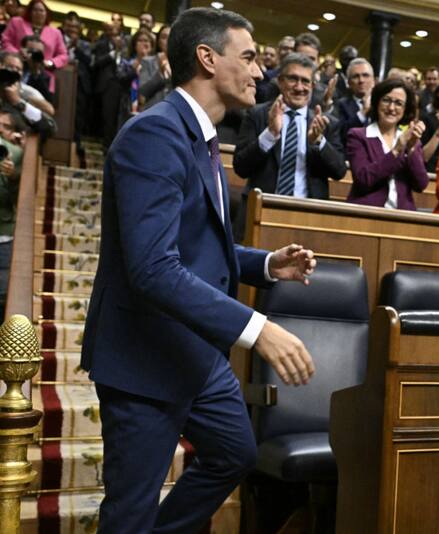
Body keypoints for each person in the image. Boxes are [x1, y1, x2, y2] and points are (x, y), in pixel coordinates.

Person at [80, 9, 318, 532]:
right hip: (143, 357)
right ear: (207, 59)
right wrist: (257, 330)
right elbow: (152, 268)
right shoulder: (155, 134)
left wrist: (264, 264)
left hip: (195, 354)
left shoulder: (201, 136)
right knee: (130, 513)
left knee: (234, 453)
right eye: (251, 58)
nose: (262, 73)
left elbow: (195, 245)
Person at [233, 53, 346, 236]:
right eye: (293, 79)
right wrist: (270, 134)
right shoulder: (257, 114)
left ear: (313, 86)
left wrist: (318, 142)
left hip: (307, 217)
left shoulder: (326, 123)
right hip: (260, 213)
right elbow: (241, 167)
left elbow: (339, 171)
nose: (299, 87)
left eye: (305, 81)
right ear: (279, 81)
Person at [346, 77, 428, 210]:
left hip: (402, 218)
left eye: (398, 103)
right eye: (386, 100)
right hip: (365, 214)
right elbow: (363, 179)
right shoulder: (358, 136)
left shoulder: (410, 139)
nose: (391, 108)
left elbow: (421, 184)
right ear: (377, 102)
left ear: (405, 109)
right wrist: (396, 150)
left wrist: (411, 149)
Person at [0, 0, 64, 93]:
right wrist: (18, 54)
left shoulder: (56, 33)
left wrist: (50, 63)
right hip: (16, 70)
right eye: (35, 10)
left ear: (47, 13)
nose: (38, 13)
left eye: (41, 10)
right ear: (29, 11)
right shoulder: (16, 22)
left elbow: (63, 55)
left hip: (42, 74)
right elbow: (5, 41)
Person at [0, 109, 20, 312]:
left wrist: (13, 176)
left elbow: (20, 198)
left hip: (4, 237)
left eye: (6, 126)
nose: (0, 130)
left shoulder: (17, 154)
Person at [330, 56, 373, 151]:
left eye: (365, 75)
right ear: (348, 83)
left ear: (373, 81)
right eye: (356, 76)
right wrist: (363, 112)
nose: (361, 80)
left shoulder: (382, 104)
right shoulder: (340, 104)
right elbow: (342, 133)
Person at [137, 25, 172, 110]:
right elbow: (143, 91)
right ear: (158, 41)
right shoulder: (148, 61)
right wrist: (160, 73)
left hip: (173, 111)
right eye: (164, 37)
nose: (168, 40)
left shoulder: (181, 62)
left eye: (171, 37)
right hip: (153, 110)